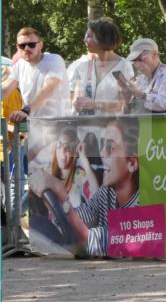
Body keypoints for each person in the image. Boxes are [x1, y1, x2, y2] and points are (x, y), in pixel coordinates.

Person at [29, 117, 139, 257]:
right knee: (38, 224)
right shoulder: (106, 193)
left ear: (132, 163)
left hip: (118, 275)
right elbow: (79, 218)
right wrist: (51, 199)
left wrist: (61, 194)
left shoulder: (141, 205)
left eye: (110, 147)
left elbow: (98, 242)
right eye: (102, 145)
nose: (102, 154)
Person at [1, 27, 71, 121]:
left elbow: (48, 89)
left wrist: (26, 110)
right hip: (35, 127)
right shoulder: (20, 65)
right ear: (17, 47)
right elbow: (5, 89)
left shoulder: (54, 60)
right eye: (22, 46)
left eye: (31, 45)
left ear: (41, 45)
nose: (26, 48)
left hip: (59, 126)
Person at [70, 19, 133, 116]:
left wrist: (95, 105)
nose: (84, 40)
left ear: (102, 39)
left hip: (111, 128)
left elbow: (124, 105)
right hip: (83, 127)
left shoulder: (124, 66)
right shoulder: (83, 67)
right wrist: (76, 104)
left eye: (89, 36)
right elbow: (75, 98)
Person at [117, 37, 166, 113]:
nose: (137, 65)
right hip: (142, 124)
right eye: (134, 61)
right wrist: (126, 100)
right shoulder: (141, 79)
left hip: (163, 123)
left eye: (140, 59)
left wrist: (141, 95)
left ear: (154, 54)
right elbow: (131, 112)